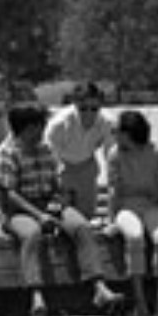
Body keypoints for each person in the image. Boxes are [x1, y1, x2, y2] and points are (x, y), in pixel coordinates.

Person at [0, 101, 124, 316]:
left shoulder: (46, 148)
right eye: (37, 128)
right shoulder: (6, 153)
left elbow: (57, 185)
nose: (41, 133)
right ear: (25, 128)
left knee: (81, 226)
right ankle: (37, 297)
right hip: (18, 210)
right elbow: (10, 194)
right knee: (32, 235)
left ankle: (99, 287)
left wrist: (53, 211)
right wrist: (39, 216)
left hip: (48, 203)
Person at [106, 108, 158, 316]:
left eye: (116, 130)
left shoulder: (157, 152)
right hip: (127, 206)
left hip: (152, 204)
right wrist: (111, 219)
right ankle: (141, 302)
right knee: (135, 237)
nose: (113, 134)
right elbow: (113, 191)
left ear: (129, 133)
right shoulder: (115, 154)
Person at [45, 82, 115, 219]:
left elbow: (111, 156)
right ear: (75, 104)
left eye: (94, 108)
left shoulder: (108, 122)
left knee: (87, 215)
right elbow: (50, 157)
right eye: (83, 108)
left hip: (87, 167)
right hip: (62, 168)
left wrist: (113, 184)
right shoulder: (59, 124)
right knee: (62, 216)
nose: (89, 113)